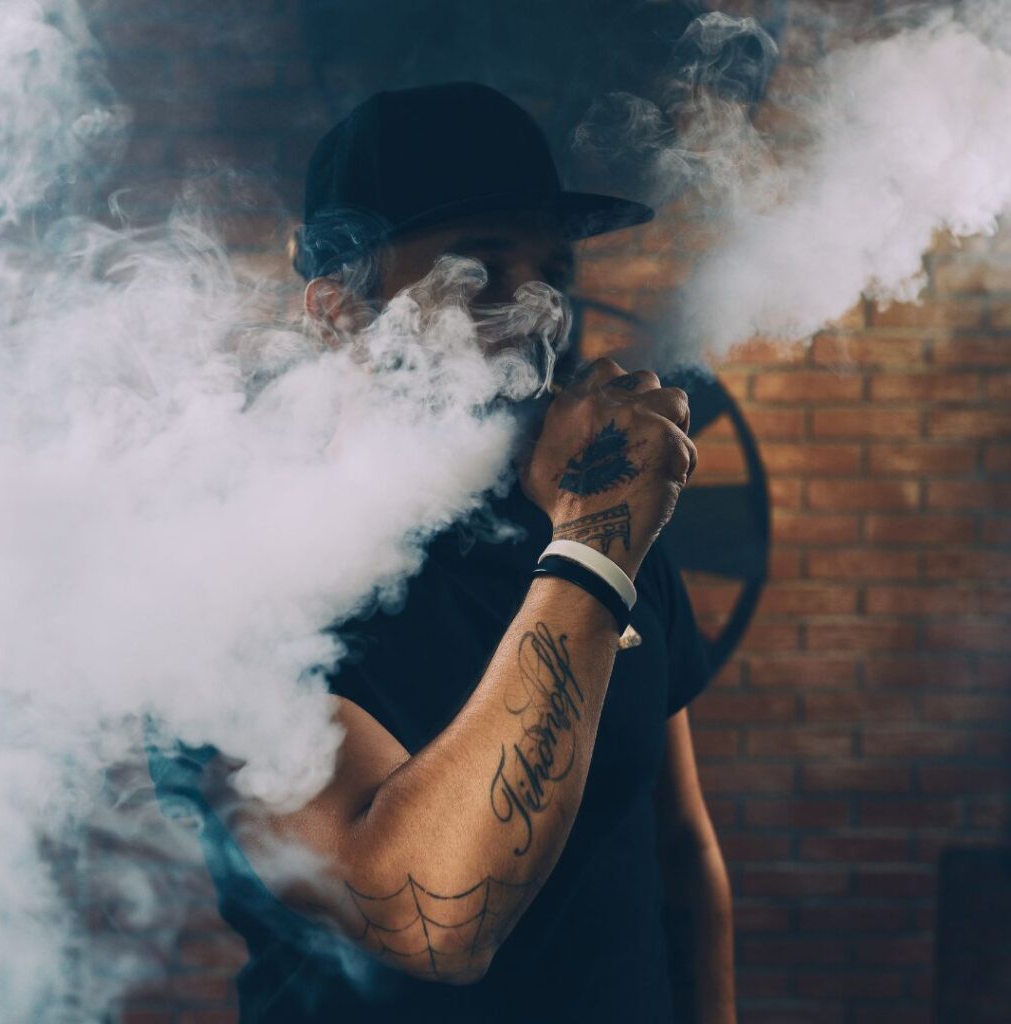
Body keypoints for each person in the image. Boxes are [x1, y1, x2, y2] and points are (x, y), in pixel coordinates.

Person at [151, 82, 735, 1024]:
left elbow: (680, 849)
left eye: (554, 270)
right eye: (479, 269)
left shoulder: (593, 524)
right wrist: (591, 552)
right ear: (340, 308)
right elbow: (431, 920)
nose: (538, 311)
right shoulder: (230, 595)